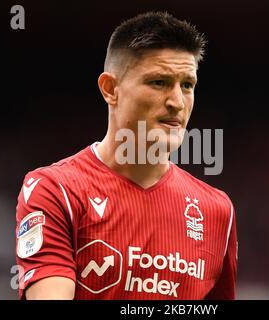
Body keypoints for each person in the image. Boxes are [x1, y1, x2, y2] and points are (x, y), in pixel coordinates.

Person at [15, 11, 237, 300]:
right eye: (159, 82)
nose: (177, 102)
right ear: (110, 89)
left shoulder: (218, 212)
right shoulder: (56, 192)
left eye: (187, 85)